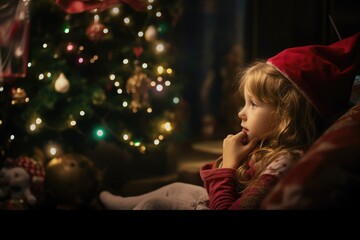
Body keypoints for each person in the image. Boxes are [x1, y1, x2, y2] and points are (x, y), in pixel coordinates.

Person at [99, 32, 360, 210]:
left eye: (254, 104)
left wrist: (229, 166)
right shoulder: (268, 147)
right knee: (175, 189)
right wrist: (227, 162)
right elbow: (212, 181)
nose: (241, 113)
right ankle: (122, 202)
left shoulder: (284, 162)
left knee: (158, 204)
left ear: (287, 115)